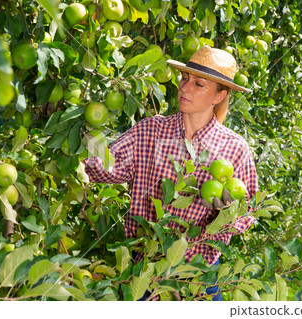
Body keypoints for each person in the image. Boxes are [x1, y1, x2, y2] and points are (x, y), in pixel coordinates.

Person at [82, 45, 258, 300]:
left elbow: (247, 211)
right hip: (144, 272)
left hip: (198, 278)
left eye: (199, 84)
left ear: (219, 96)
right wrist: (84, 134)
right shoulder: (151, 130)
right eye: (185, 79)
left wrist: (226, 214)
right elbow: (107, 167)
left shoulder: (234, 148)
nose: (185, 88)